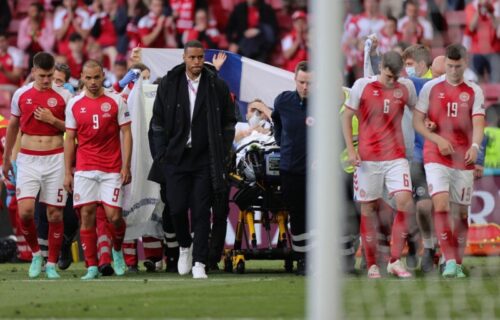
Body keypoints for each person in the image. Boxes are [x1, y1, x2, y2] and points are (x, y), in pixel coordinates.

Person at [148, 40, 236, 279]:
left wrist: (223, 148)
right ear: (184, 58)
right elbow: (157, 122)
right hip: (176, 157)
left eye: (200, 57)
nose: (197, 62)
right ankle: (184, 246)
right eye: (192, 58)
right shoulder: (169, 84)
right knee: (175, 209)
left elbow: (230, 120)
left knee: (201, 210)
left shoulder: (216, 85)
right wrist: (162, 154)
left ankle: (199, 262)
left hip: (204, 158)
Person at [342, 51, 417, 279]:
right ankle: (373, 264)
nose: (391, 80)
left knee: (406, 202)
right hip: (368, 159)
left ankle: (395, 260)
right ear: (381, 67)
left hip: (396, 156)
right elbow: (346, 117)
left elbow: (418, 111)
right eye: (388, 76)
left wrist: (429, 121)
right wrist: (352, 150)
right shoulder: (362, 86)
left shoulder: (405, 88)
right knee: (369, 208)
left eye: (395, 77)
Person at [413, 44, 485, 278]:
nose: (453, 70)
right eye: (450, 66)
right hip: (435, 154)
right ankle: (449, 261)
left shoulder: (474, 90)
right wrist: (435, 138)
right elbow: (417, 122)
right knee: (441, 204)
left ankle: (458, 262)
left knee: (461, 213)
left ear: (466, 62)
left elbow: (478, 124)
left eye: (458, 66)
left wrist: (475, 147)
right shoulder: (431, 87)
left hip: (462, 156)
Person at [3, 52, 72, 279]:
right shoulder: (21, 94)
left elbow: (74, 131)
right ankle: (35, 254)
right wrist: (6, 159)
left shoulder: (64, 96)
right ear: (33, 72)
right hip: (28, 159)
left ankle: (51, 263)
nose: (46, 80)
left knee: (54, 215)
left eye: (50, 76)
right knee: (25, 213)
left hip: (55, 159)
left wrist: (53, 120)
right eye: (42, 76)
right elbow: (13, 127)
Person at [64, 59, 132, 280]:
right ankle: (92, 266)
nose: (93, 82)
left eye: (96, 77)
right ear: (82, 77)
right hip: (85, 168)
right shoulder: (74, 103)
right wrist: (68, 172)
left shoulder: (116, 100)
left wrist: (126, 166)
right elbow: (70, 139)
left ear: (103, 76)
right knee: (87, 216)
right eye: (88, 78)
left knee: (114, 217)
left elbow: (127, 133)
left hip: (111, 168)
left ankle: (117, 250)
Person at [271, 61, 310, 275]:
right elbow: (276, 121)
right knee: (297, 215)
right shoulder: (283, 101)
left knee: (315, 215)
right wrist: (281, 141)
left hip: (317, 172)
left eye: (310, 83)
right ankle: (302, 260)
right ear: (295, 80)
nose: (305, 87)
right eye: (302, 82)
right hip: (290, 169)